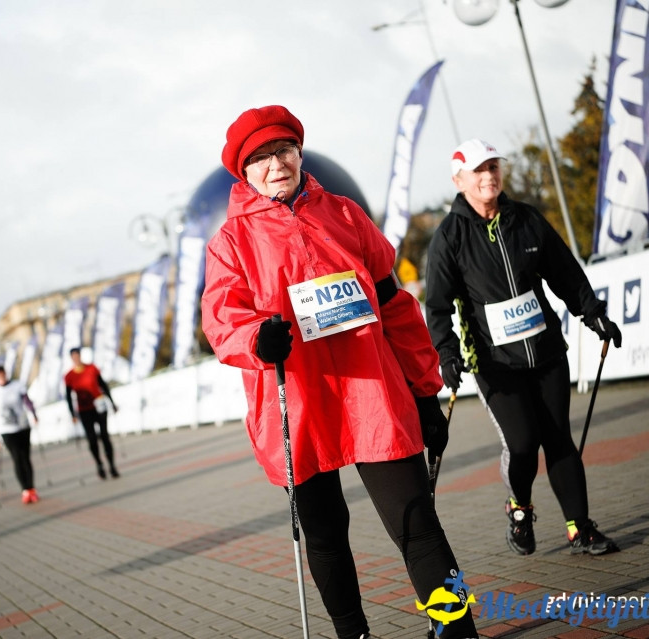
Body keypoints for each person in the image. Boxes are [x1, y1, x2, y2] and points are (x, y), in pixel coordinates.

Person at [201, 105, 478, 639]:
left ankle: (456, 630)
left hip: (372, 393)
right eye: (259, 158)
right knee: (327, 535)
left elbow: (394, 304)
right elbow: (222, 323)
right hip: (297, 405)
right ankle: (355, 634)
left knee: (417, 521)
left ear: (299, 153)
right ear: (245, 172)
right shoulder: (231, 242)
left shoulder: (345, 214)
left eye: (282, 150)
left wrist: (424, 393)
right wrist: (257, 339)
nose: (275, 163)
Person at [425, 138, 623, 557]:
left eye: (493, 167)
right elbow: (438, 306)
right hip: (494, 363)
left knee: (558, 439)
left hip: (546, 350)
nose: (488, 176)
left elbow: (565, 273)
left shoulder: (526, 219)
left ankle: (580, 528)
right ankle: (519, 508)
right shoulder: (450, 236)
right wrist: (446, 353)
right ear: (459, 179)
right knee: (522, 443)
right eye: (478, 170)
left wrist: (594, 314)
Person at [0, 366, 41, 504]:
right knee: (17, 458)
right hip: (7, 431)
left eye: (2, 374)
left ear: (5, 374)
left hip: (22, 426)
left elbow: (27, 400)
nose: (1, 377)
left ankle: (32, 488)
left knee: (26, 457)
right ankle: (25, 490)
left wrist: (33, 413)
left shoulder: (17, 385)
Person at [64, 348, 120, 480]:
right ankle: (99, 464)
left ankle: (112, 466)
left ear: (80, 356)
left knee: (105, 436)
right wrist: (72, 414)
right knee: (92, 439)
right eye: (74, 357)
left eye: (78, 355)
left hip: (99, 406)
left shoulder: (92, 368)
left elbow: (103, 385)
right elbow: (68, 396)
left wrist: (112, 402)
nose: (76, 358)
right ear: (71, 358)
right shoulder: (69, 376)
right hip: (84, 410)